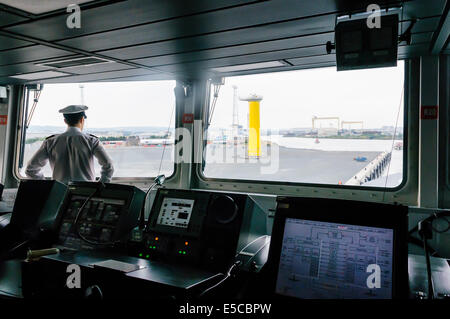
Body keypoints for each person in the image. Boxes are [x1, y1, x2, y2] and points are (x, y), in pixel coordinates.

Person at [25, 105, 114, 184]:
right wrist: (100, 185)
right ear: (82, 119)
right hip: (86, 192)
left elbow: (31, 170)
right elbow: (108, 166)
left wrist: (48, 186)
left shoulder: (50, 142)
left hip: (59, 192)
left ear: (65, 121)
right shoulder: (92, 141)